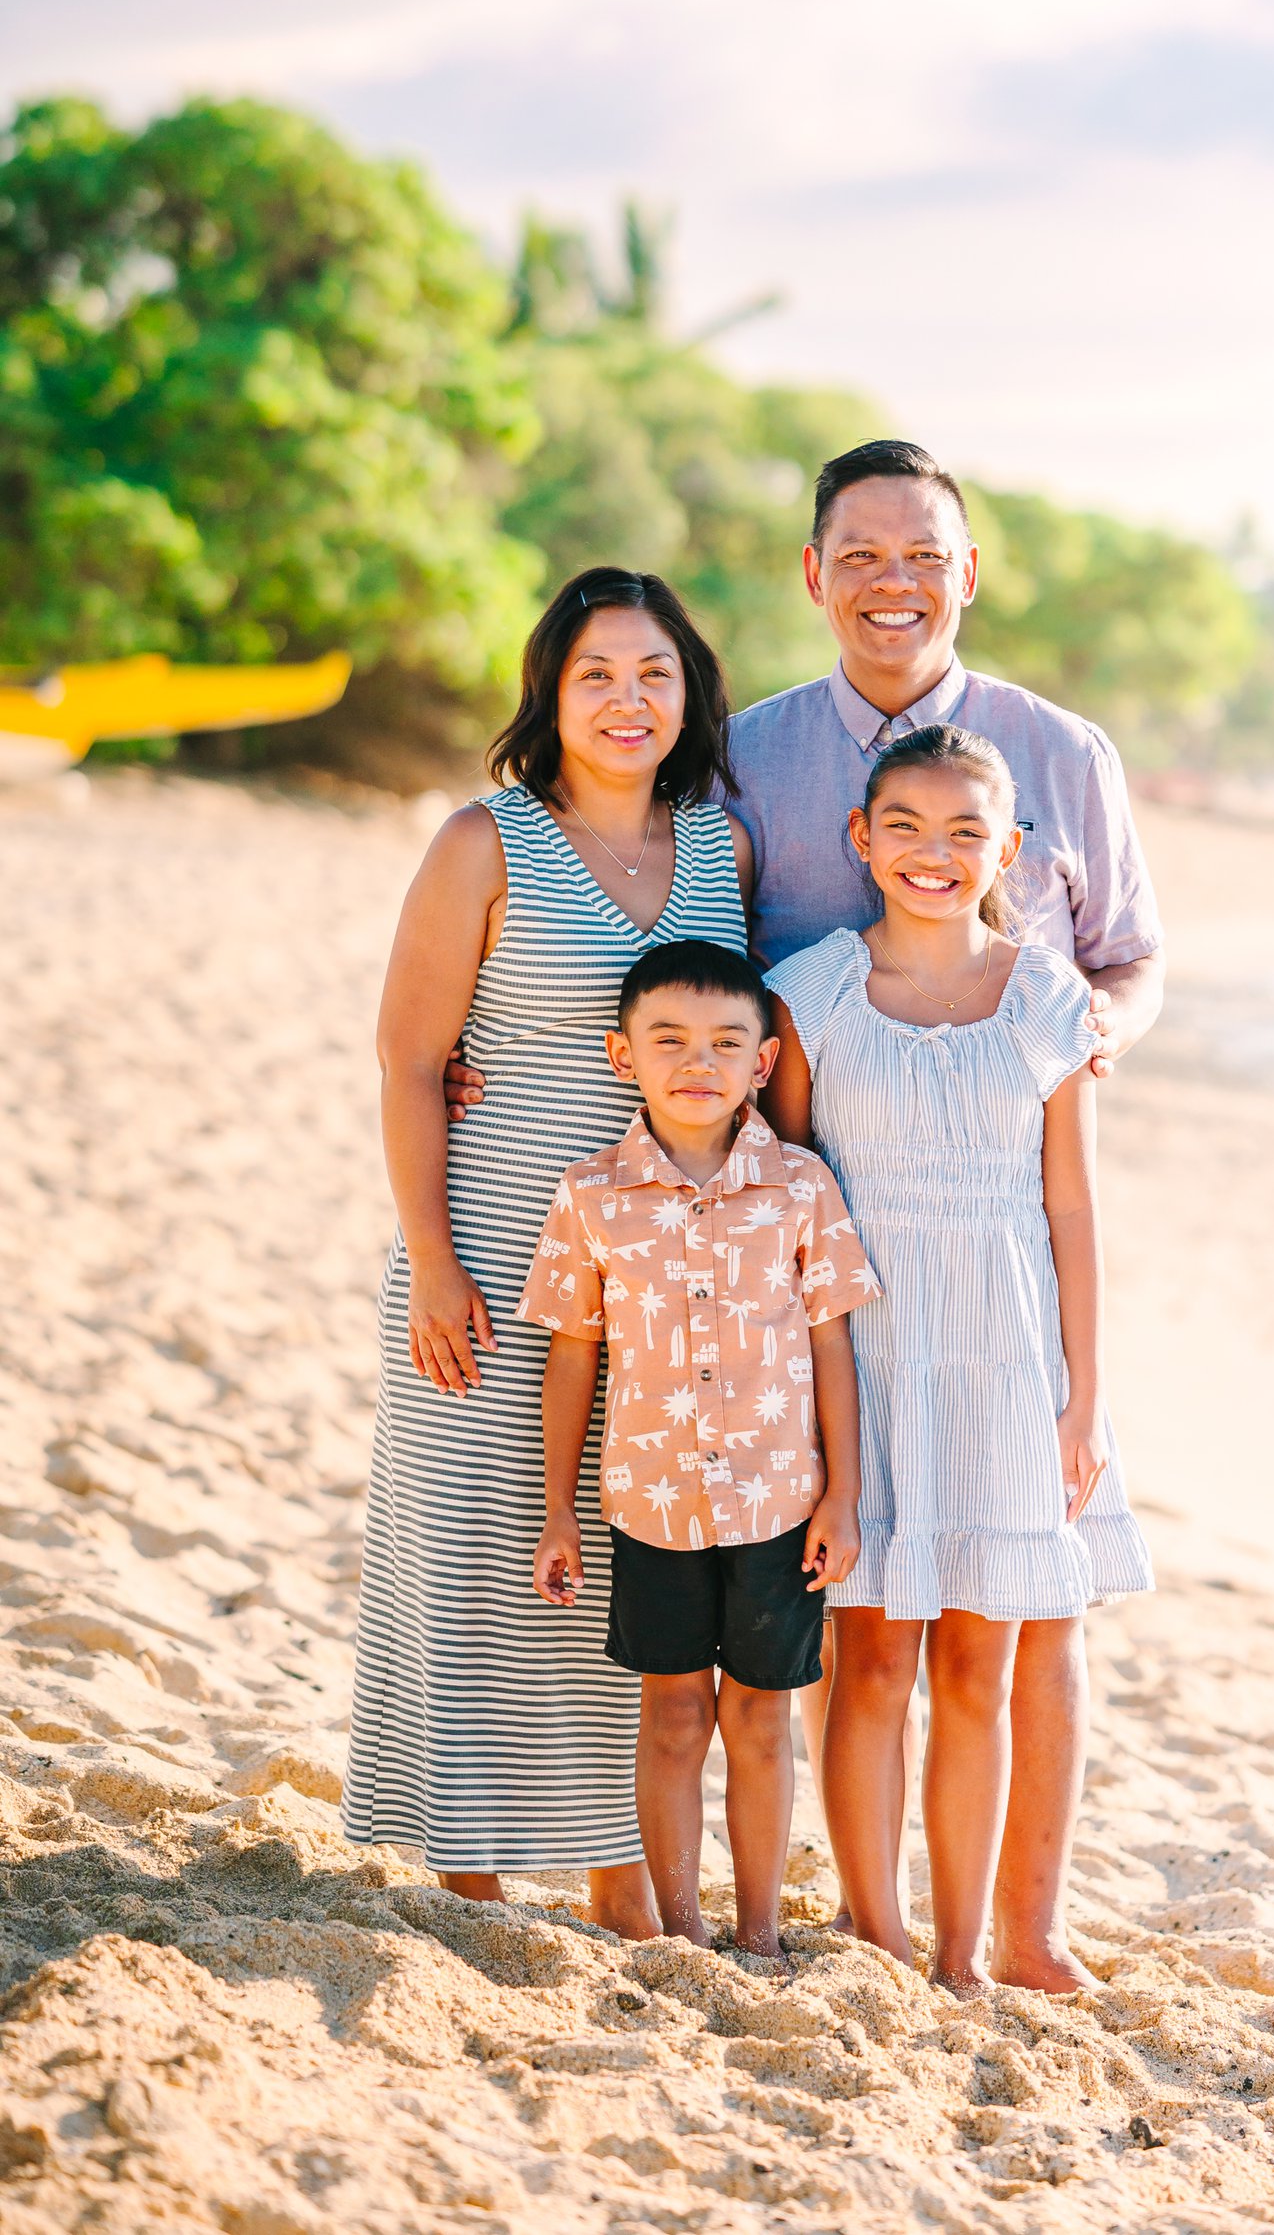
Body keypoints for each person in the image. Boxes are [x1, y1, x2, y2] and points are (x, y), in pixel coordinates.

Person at [729, 438, 1165, 1990]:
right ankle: (872, 1922)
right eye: (861, 554)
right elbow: (695, 976)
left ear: (969, 573)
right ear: (814, 573)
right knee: (862, 1630)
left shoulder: (1062, 751)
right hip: (843, 1274)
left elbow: (1129, 959)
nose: (893, 583)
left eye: (925, 554)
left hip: (1005, 1257)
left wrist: (1082, 1039)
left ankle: (1014, 1935)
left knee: (1023, 1624)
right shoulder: (749, 754)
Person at [343, 567, 753, 1927]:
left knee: (623, 1564)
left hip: (659, 1273)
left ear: (688, 692)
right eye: (596, 675)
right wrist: (432, 1256)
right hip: (485, 1242)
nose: (628, 700)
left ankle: (617, 1873)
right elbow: (411, 1060)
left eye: (654, 673)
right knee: (474, 1547)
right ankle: (464, 1870)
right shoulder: (485, 839)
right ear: (551, 693)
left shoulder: (724, 850)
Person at [519, 942, 871, 1957]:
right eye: (668, 1039)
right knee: (673, 1716)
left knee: (760, 1720)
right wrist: (556, 1509)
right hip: (652, 1501)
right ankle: (681, 1932)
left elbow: (832, 1343)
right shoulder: (591, 1194)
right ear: (621, 1054)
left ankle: (758, 1933)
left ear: (764, 1062)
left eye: (725, 1042)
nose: (697, 1061)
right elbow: (573, 1355)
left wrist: (842, 1495)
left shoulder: (801, 1185)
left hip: (779, 1503)